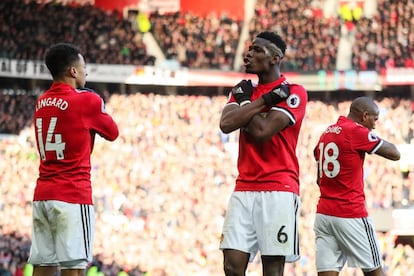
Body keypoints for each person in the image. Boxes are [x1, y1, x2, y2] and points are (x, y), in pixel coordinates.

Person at [219, 31, 308, 275]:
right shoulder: (245, 90)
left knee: (272, 269)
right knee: (231, 266)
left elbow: (262, 131)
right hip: (244, 187)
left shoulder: (294, 92)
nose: (249, 53)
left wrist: (245, 107)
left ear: (275, 58)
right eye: (249, 48)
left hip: (279, 188)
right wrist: (261, 102)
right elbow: (226, 124)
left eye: (257, 50)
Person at [28, 43, 119, 276]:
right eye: (84, 66)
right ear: (73, 71)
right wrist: (98, 101)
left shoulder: (41, 102)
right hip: (72, 194)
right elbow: (112, 132)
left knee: (43, 266)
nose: (86, 71)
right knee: (74, 269)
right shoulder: (86, 101)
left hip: (43, 195)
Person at [313, 97, 400, 276]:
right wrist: (370, 139)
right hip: (350, 213)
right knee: (374, 271)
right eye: (374, 120)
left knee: (326, 272)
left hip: (324, 214)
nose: (374, 126)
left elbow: (318, 178)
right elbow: (394, 153)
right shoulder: (355, 131)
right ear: (364, 116)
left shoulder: (326, 133)